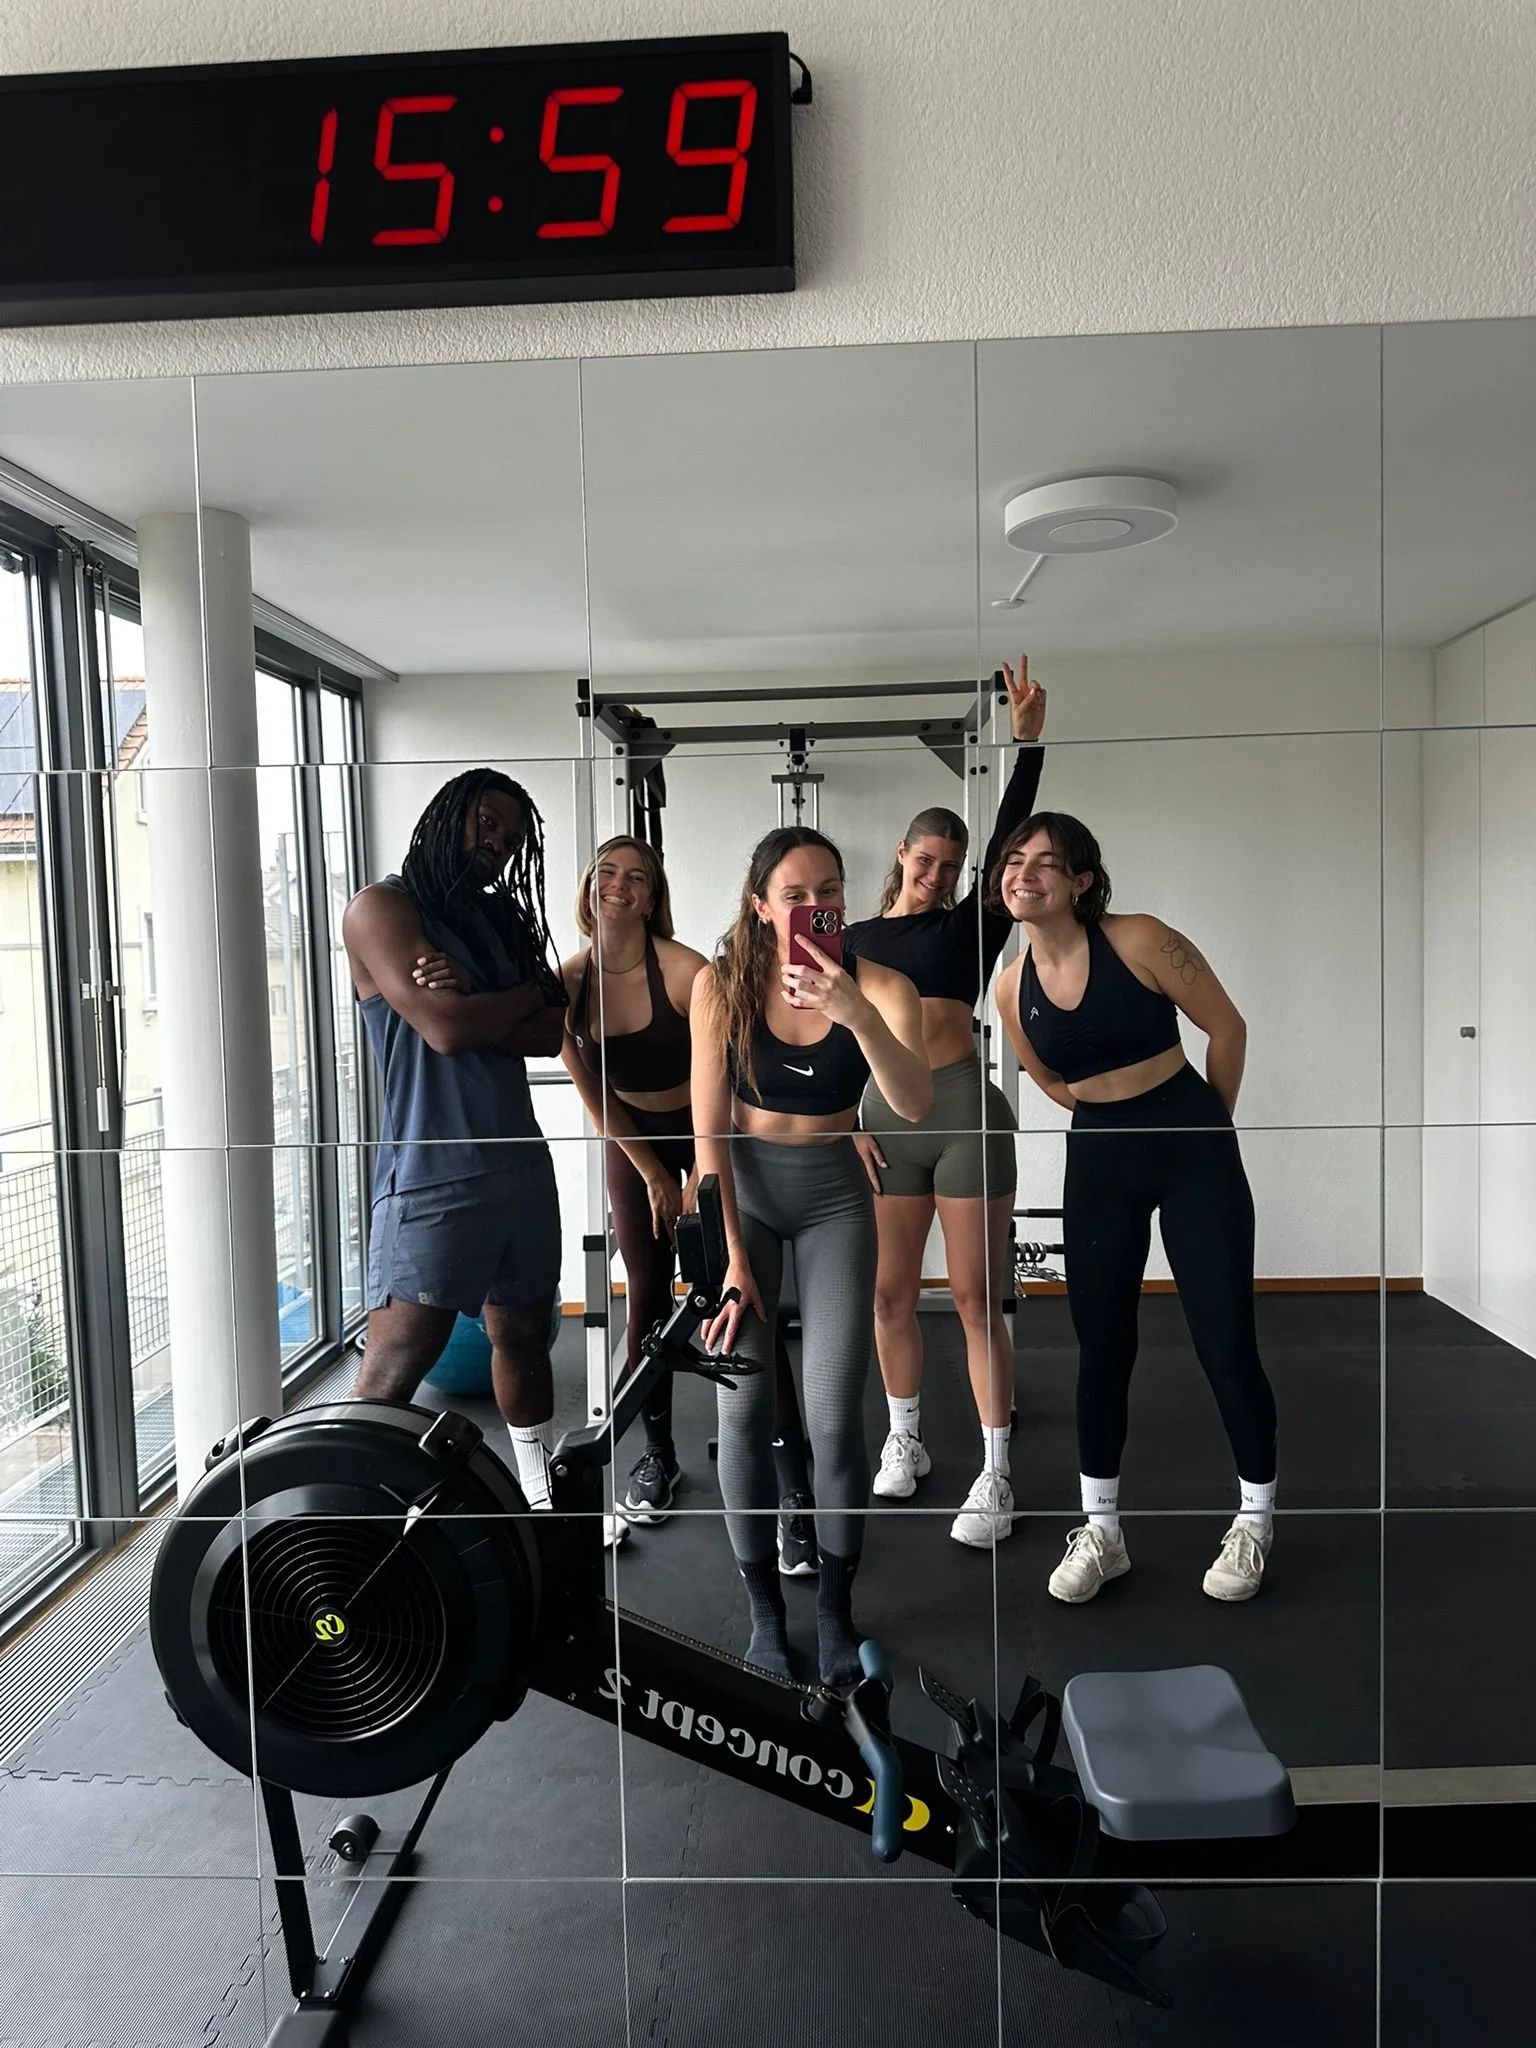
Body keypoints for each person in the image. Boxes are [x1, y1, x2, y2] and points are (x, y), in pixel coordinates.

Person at [992, 812, 1279, 1603]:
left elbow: (1227, 1027)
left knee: (1225, 1345)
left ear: (1081, 882)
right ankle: (1103, 1533)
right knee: (1102, 1352)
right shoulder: (1010, 986)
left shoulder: (1140, 939)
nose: (1024, 874)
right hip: (1100, 1161)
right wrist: (1110, 1117)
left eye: (1046, 863)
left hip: (1192, 1150)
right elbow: (1052, 1081)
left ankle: (1255, 1522)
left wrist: (1208, 1132)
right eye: (1014, 860)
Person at [693, 827, 931, 1684]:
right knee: (741, 1413)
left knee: (833, 1419)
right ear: (761, 906)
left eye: (828, 890)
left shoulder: (883, 986)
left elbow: (912, 1102)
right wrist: (730, 1258)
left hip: (835, 1191)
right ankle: (765, 1613)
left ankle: (833, 1610)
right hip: (745, 1199)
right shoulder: (721, 986)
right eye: (793, 895)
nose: (814, 905)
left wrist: (854, 1013)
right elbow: (709, 1136)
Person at [561, 837, 820, 1560]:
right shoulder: (568, 983)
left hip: (709, 1129)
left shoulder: (686, 973)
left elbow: (731, 1080)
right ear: (588, 886)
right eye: (606, 872)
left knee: (739, 1297)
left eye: (635, 877)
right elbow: (593, 1094)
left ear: (653, 897)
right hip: (634, 1141)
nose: (618, 885)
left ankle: (791, 1484)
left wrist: (697, 1175)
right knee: (646, 1298)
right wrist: (650, 1172)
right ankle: (658, 1455)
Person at [843, 657, 1046, 1548]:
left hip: (963, 1112)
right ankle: (907, 1441)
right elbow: (814, 1041)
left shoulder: (970, 927)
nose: (936, 875)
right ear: (901, 854)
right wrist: (841, 1126)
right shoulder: (851, 940)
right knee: (889, 1296)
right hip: (885, 1123)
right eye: (926, 861)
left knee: (974, 1298)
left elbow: (1009, 842)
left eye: (951, 866)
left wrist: (1027, 745)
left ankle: (996, 1474)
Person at [343, 768, 569, 1515]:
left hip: (519, 1163)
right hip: (432, 1173)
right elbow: (445, 1029)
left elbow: (550, 1031)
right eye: (486, 821)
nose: (496, 842)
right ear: (446, 815)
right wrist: (514, 996)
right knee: (399, 1361)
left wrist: (480, 995)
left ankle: (539, 1494)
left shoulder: (502, 918)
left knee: (525, 1334)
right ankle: (348, 1522)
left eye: (511, 835)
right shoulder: (381, 909)